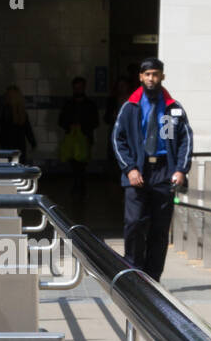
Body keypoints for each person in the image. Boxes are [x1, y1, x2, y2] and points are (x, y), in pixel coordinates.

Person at [111, 57, 192, 281]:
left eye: (155, 74)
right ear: (140, 77)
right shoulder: (131, 106)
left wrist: (180, 169)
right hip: (138, 170)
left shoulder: (172, 107)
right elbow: (118, 139)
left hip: (164, 172)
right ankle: (133, 270)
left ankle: (153, 276)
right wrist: (129, 168)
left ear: (162, 77)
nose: (151, 78)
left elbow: (184, 139)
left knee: (159, 228)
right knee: (135, 222)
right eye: (147, 74)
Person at [58, 75, 99, 195]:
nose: (78, 90)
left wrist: (83, 127)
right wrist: (69, 126)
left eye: (80, 88)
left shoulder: (89, 104)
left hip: (85, 137)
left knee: (82, 163)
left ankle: (79, 185)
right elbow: (61, 121)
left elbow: (95, 122)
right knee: (74, 163)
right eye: (76, 88)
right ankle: (78, 184)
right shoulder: (69, 104)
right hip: (72, 138)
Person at [0, 85, 37, 162]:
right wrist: (33, 143)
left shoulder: (2, 111)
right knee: (19, 167)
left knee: (7, 168)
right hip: (20, 145)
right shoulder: (21, 112)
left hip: (5, 144)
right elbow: (28, 129)